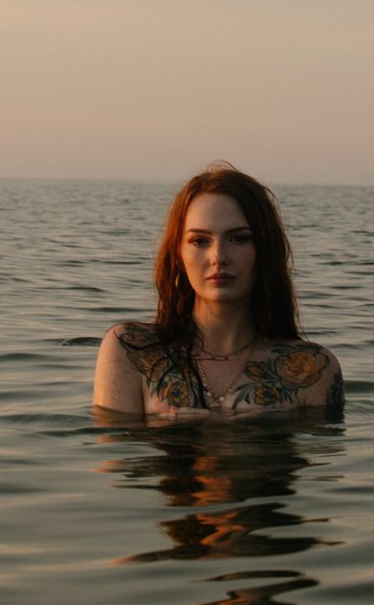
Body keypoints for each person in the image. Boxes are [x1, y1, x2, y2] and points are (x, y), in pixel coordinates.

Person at [92, 163, 343, 418]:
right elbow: (116, 453)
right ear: (178, 255)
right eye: (200, 241)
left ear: (265, 250)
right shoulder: (129, 348)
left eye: (239, 238)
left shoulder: (313, 369)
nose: (218, 257)